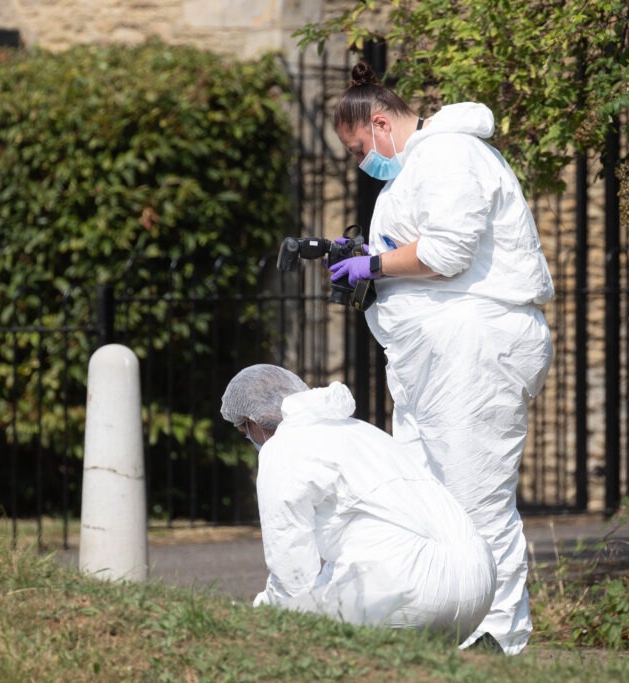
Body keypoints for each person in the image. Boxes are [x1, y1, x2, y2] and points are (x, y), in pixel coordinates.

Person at [327, 62, 555, 655]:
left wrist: (373, 265)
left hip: (475, 345)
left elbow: (447, 253)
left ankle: (500, 639)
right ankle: (447, 633)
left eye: (358, 149)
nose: (360, 163)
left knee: (476, 498)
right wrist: (365, 262)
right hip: (435, 354)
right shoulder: (414, 170)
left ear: (380, 123)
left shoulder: (450, 154)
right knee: (429, 501)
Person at [220, 364, 497, 643]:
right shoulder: (361, 431)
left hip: (408, 588)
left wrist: (262, 615)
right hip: (480, 580)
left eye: (243, 429)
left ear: (252, 421)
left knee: (308, 632)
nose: (247, 437)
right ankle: (474, 654)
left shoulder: (281, 449)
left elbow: (290, 563)